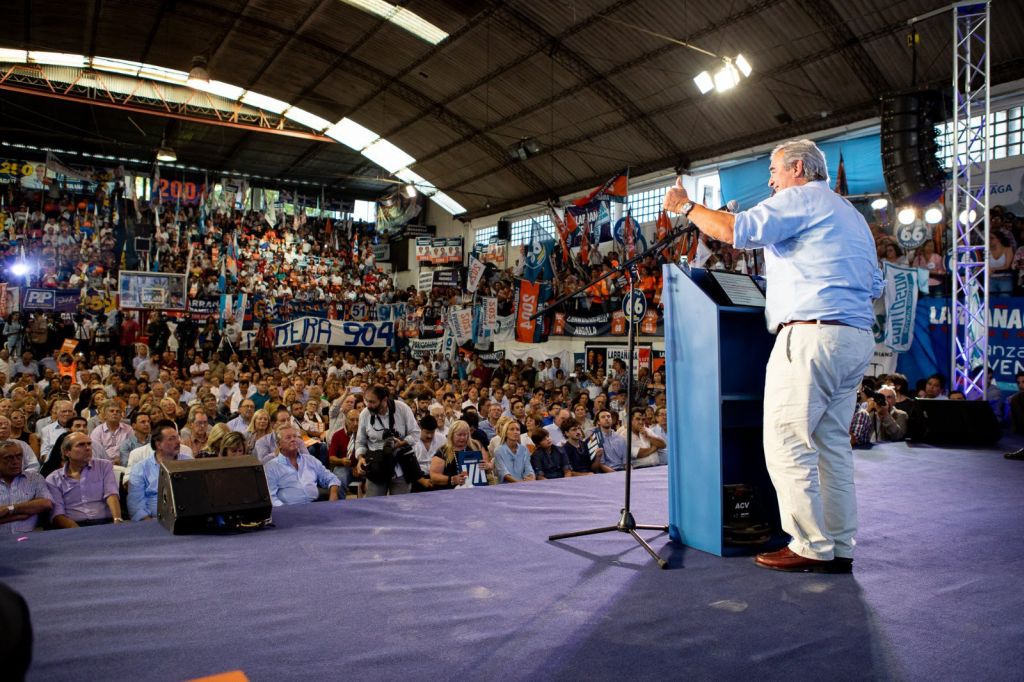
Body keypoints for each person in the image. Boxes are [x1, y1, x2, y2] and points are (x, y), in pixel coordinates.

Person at [665, 138, 880, 573]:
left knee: (786, 442)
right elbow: (875, 284)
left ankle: (808, 544)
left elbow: (734, 231)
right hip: (854, 336)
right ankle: (838, 545)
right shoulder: (851, 215)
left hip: (810, 337)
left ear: (798, 169)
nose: (770, 181)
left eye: (774, 172)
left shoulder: (801, 198)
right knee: (831, 446)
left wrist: (687, 207)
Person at [45, 433, 123, 528]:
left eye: (89, 444)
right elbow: (58, 514)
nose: (88, 448)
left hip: (106, 522)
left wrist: (117, 520)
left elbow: (111, 494)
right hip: (73, 526)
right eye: (81, 445)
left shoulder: (104, 466)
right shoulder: (53, 479)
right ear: (67, 452)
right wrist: (80, 532)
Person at [127, 422, 192, 521]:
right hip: (154, 521)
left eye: (177, 437)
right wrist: (149, 524)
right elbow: (136, 505)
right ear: (158, 444)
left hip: (188, 518)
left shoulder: (189, 463)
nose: (178, 442)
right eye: (171, 439)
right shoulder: (140, 469)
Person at [263, 424, 340, 506]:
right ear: (279, 444)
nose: (293, 439)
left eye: (295, 436)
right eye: (288, 437)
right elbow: (271, 497)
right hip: (289, 509)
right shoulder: (271, 467)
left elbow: (332, 478)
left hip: (315, 506)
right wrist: (285, 511)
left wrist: (333, 495)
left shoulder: (310, 460)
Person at [0, 439, 52, 534]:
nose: (16, 462)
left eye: (19, 456)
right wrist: (20, 514)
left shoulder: (34, 478)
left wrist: (9, 509)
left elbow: (45, 503)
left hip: (29, 537)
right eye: (9, 458)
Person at [428, 420, 474, 490]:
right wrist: (452, 479)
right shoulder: (443, 451)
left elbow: (485, 465)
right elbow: (434, 476)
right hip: (447, 491)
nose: (462, 438)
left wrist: (486, 466)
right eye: (459, 435)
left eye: (465, 435)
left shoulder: (474, 447)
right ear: (452, 435)